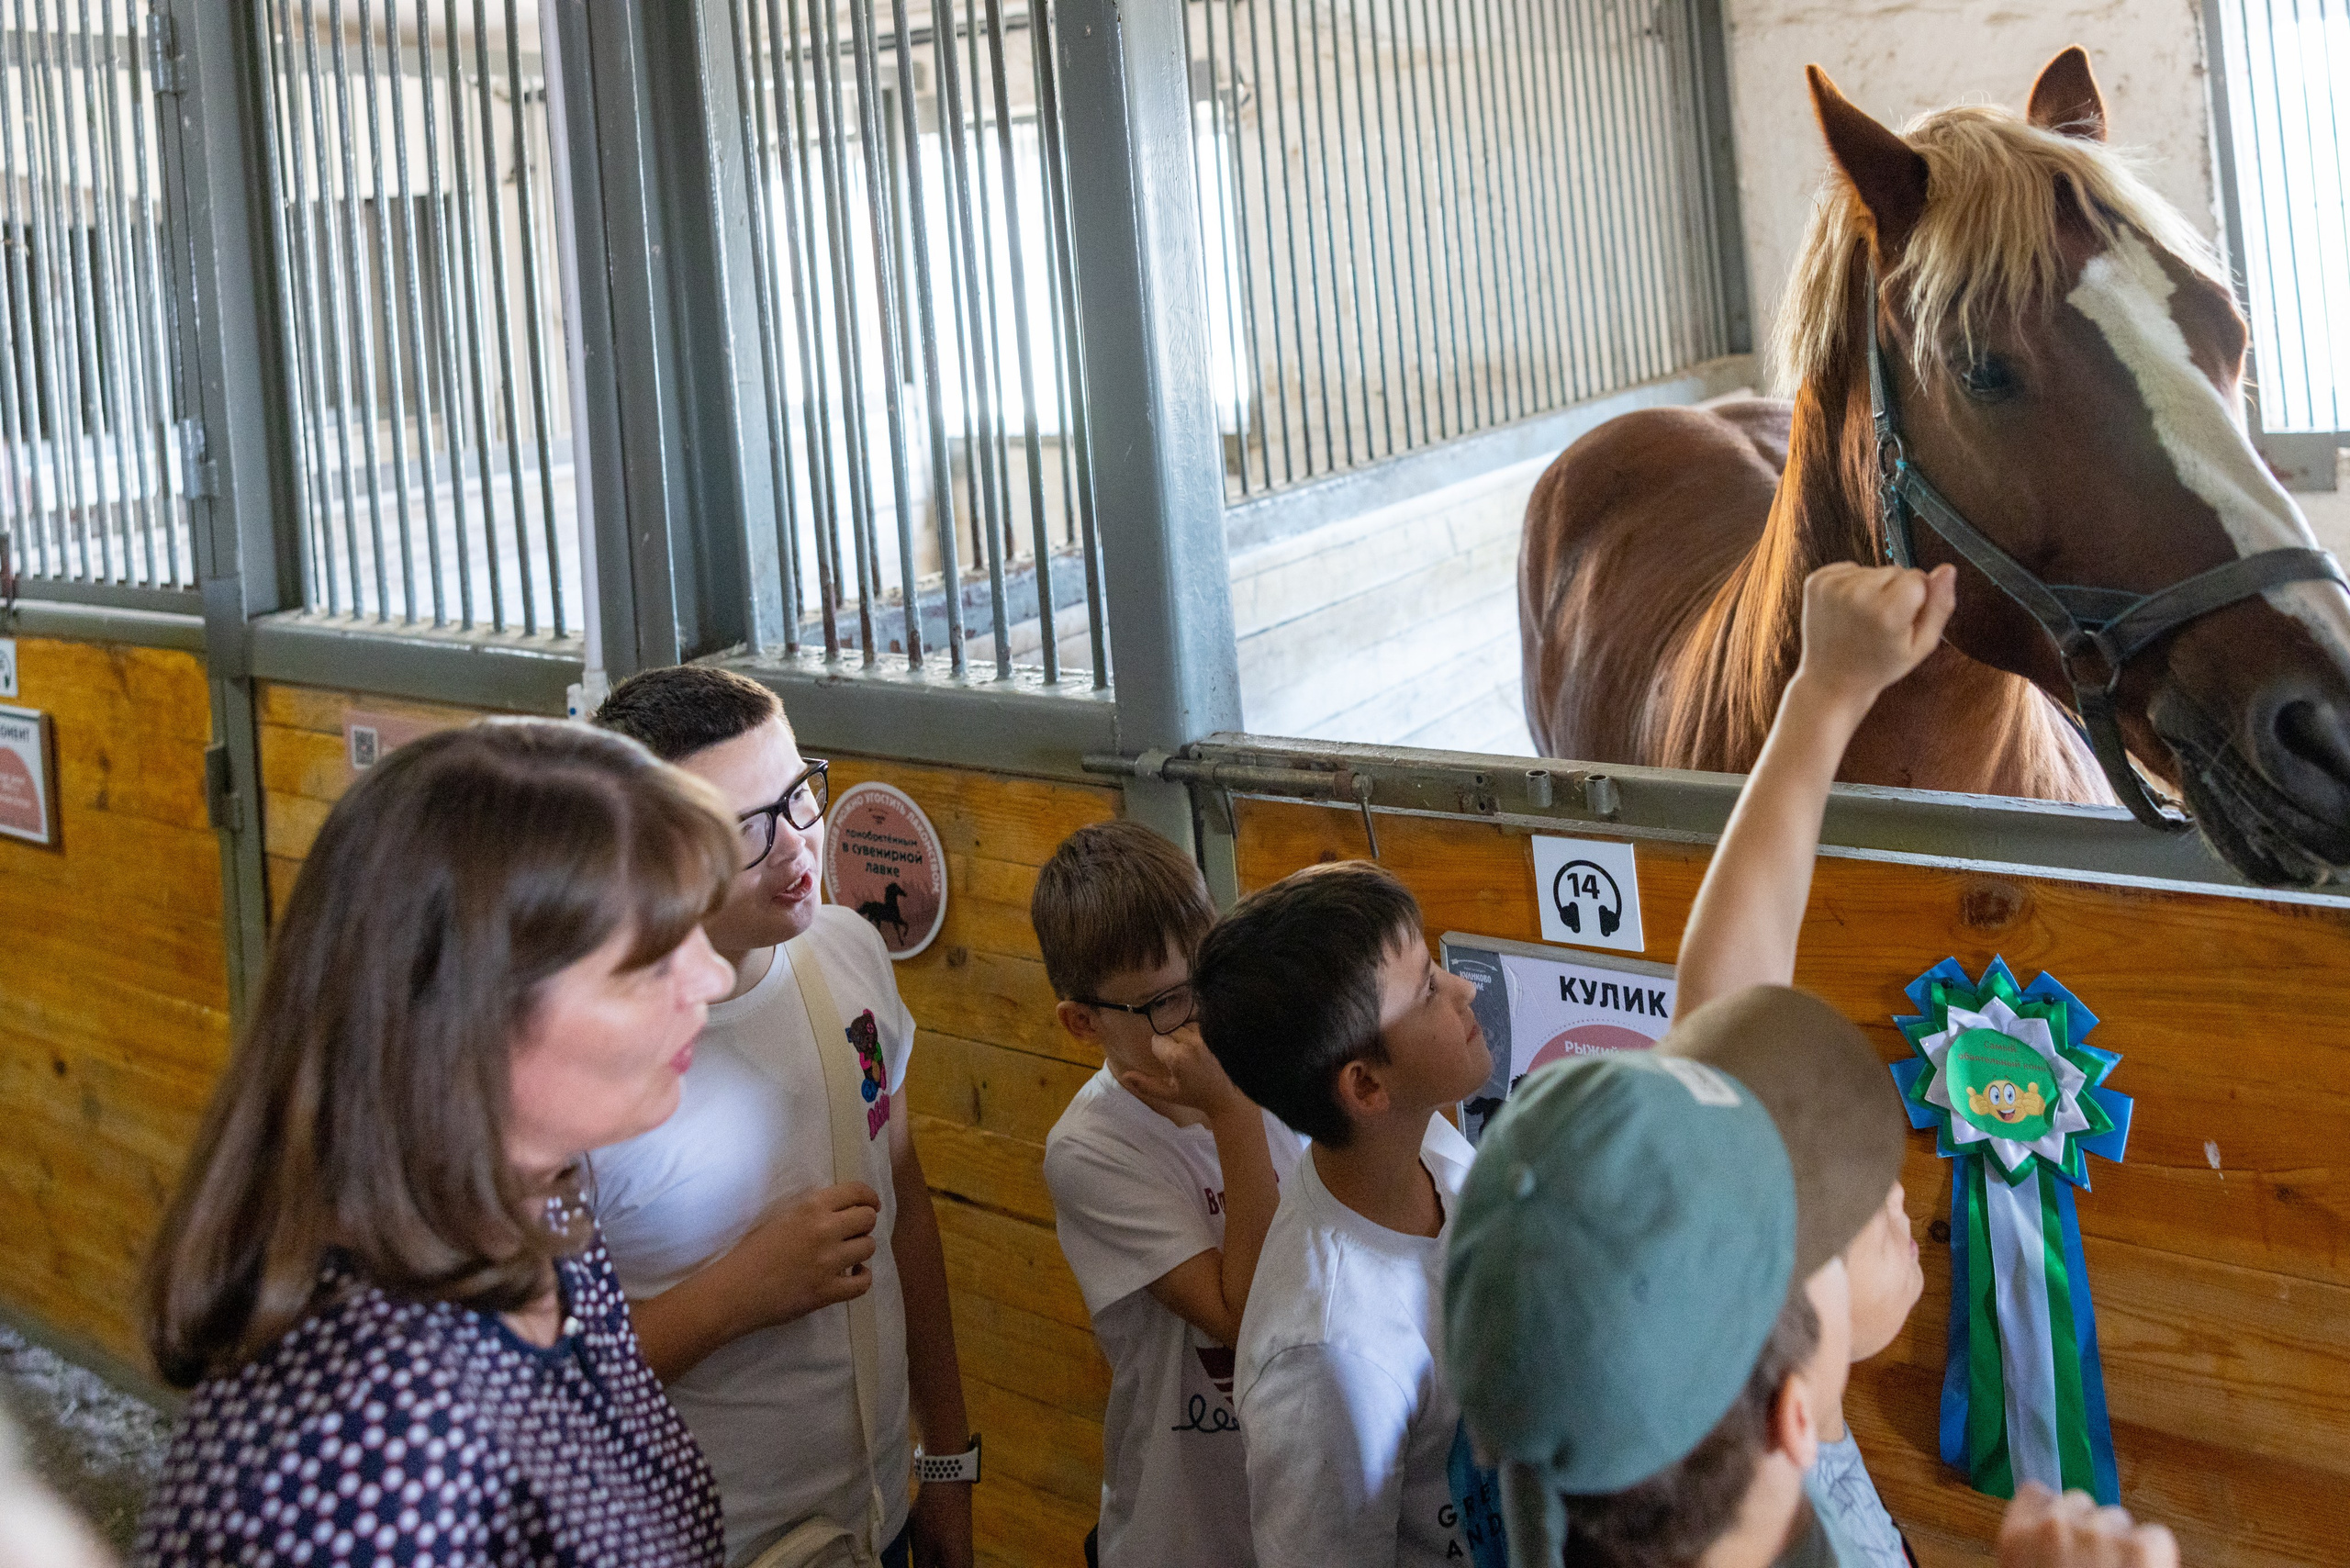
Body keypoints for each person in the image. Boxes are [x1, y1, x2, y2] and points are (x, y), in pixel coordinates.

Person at [1442, 563, 2178, 1568]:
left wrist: (1823, 694)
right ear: (1795, 1417)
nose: (1887, 1210)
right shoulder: (1798, 1479)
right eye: (1828, 1236)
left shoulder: (1571, 1450)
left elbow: (1721, 1006)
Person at [138, 720, 741, 1567]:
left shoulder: (542, 1203)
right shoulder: (350, 1461)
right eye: (650, 965)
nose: (715, 978)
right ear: (463, 1021)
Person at [589, 667, 974, 1568]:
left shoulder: (843, 951)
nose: (800, 853)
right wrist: (734, 1296)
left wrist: (948, 1459)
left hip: (873, 1520)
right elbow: (525, 1391)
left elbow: (905, 1210)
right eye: (743, 832)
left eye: (799, 797)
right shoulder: (583, 1067)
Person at [1192, 861, 1492, 1568]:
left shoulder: (1430, 1145)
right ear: (1366, 1085)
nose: (1464, 988)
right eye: (1426, 991)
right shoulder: (1324, 1358)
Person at [1033, 822, 1304, 1568]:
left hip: (1304, 1502)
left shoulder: (1274, 1057)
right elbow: (1242, 1315)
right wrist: (1235, 1110)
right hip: (1188, 1530)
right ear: (1082, 1023)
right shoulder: (1091, 1150)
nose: (1200, 1014)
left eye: (1208, 975)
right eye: (1163, 1004)